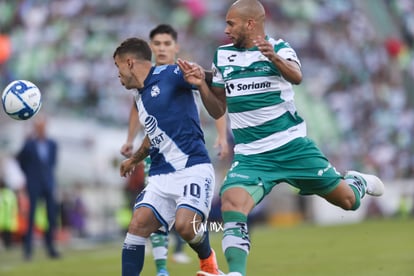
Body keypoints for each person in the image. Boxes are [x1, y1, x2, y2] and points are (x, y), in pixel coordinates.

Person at [177, 1, 385, 275]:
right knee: (231, 204)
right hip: (252, 155)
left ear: (250, 24)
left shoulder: (281, 48)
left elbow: (297, 76)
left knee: (347, 201)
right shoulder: (222, 56)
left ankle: (356, 181)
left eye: (231, 23)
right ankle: (236, 273)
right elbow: (218, 107)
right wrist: (202, 84)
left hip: (292, 148)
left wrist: (273, 58)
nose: (225, 29)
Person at [119, 24, 230, 276]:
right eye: (157, 43)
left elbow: (216, 93)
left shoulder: (173, 73)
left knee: (185, 226)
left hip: (192, 168)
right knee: (136, 226)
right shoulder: (139, 96)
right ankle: (160, 270)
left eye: (117, 67)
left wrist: (203, 82)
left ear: (129, 63)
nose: (117, 75)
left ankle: (208, 259)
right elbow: (153, 135)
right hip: (160, 175)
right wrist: (134, 159)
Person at [16, 115, 61, 260]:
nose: (40, 129)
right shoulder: (29, 144)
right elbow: (21, 160)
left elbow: (52, 163)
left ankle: (50, 246)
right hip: (34, 183)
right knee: (31, 216)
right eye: (38, 126)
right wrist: (29, 176)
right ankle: (28, 249)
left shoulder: (52, 144)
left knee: (51, 216)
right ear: (35, 128)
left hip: (48, 183)